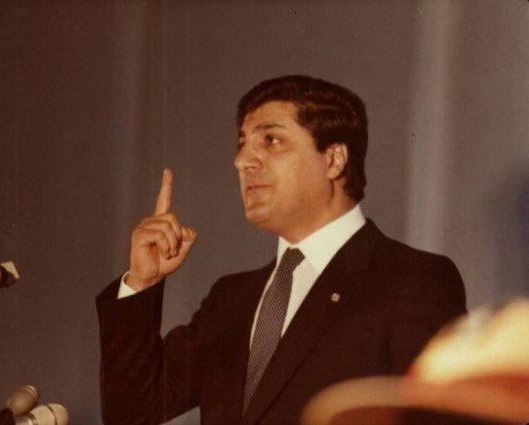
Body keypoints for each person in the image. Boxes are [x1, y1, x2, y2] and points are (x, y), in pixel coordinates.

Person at [96, 75, 467, 425]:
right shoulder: (230, 299)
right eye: (242, 143)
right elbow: (132, 414)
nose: (242, 161)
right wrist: (142, 282)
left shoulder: (412, 278)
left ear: (334, 159)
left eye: (271, 140)